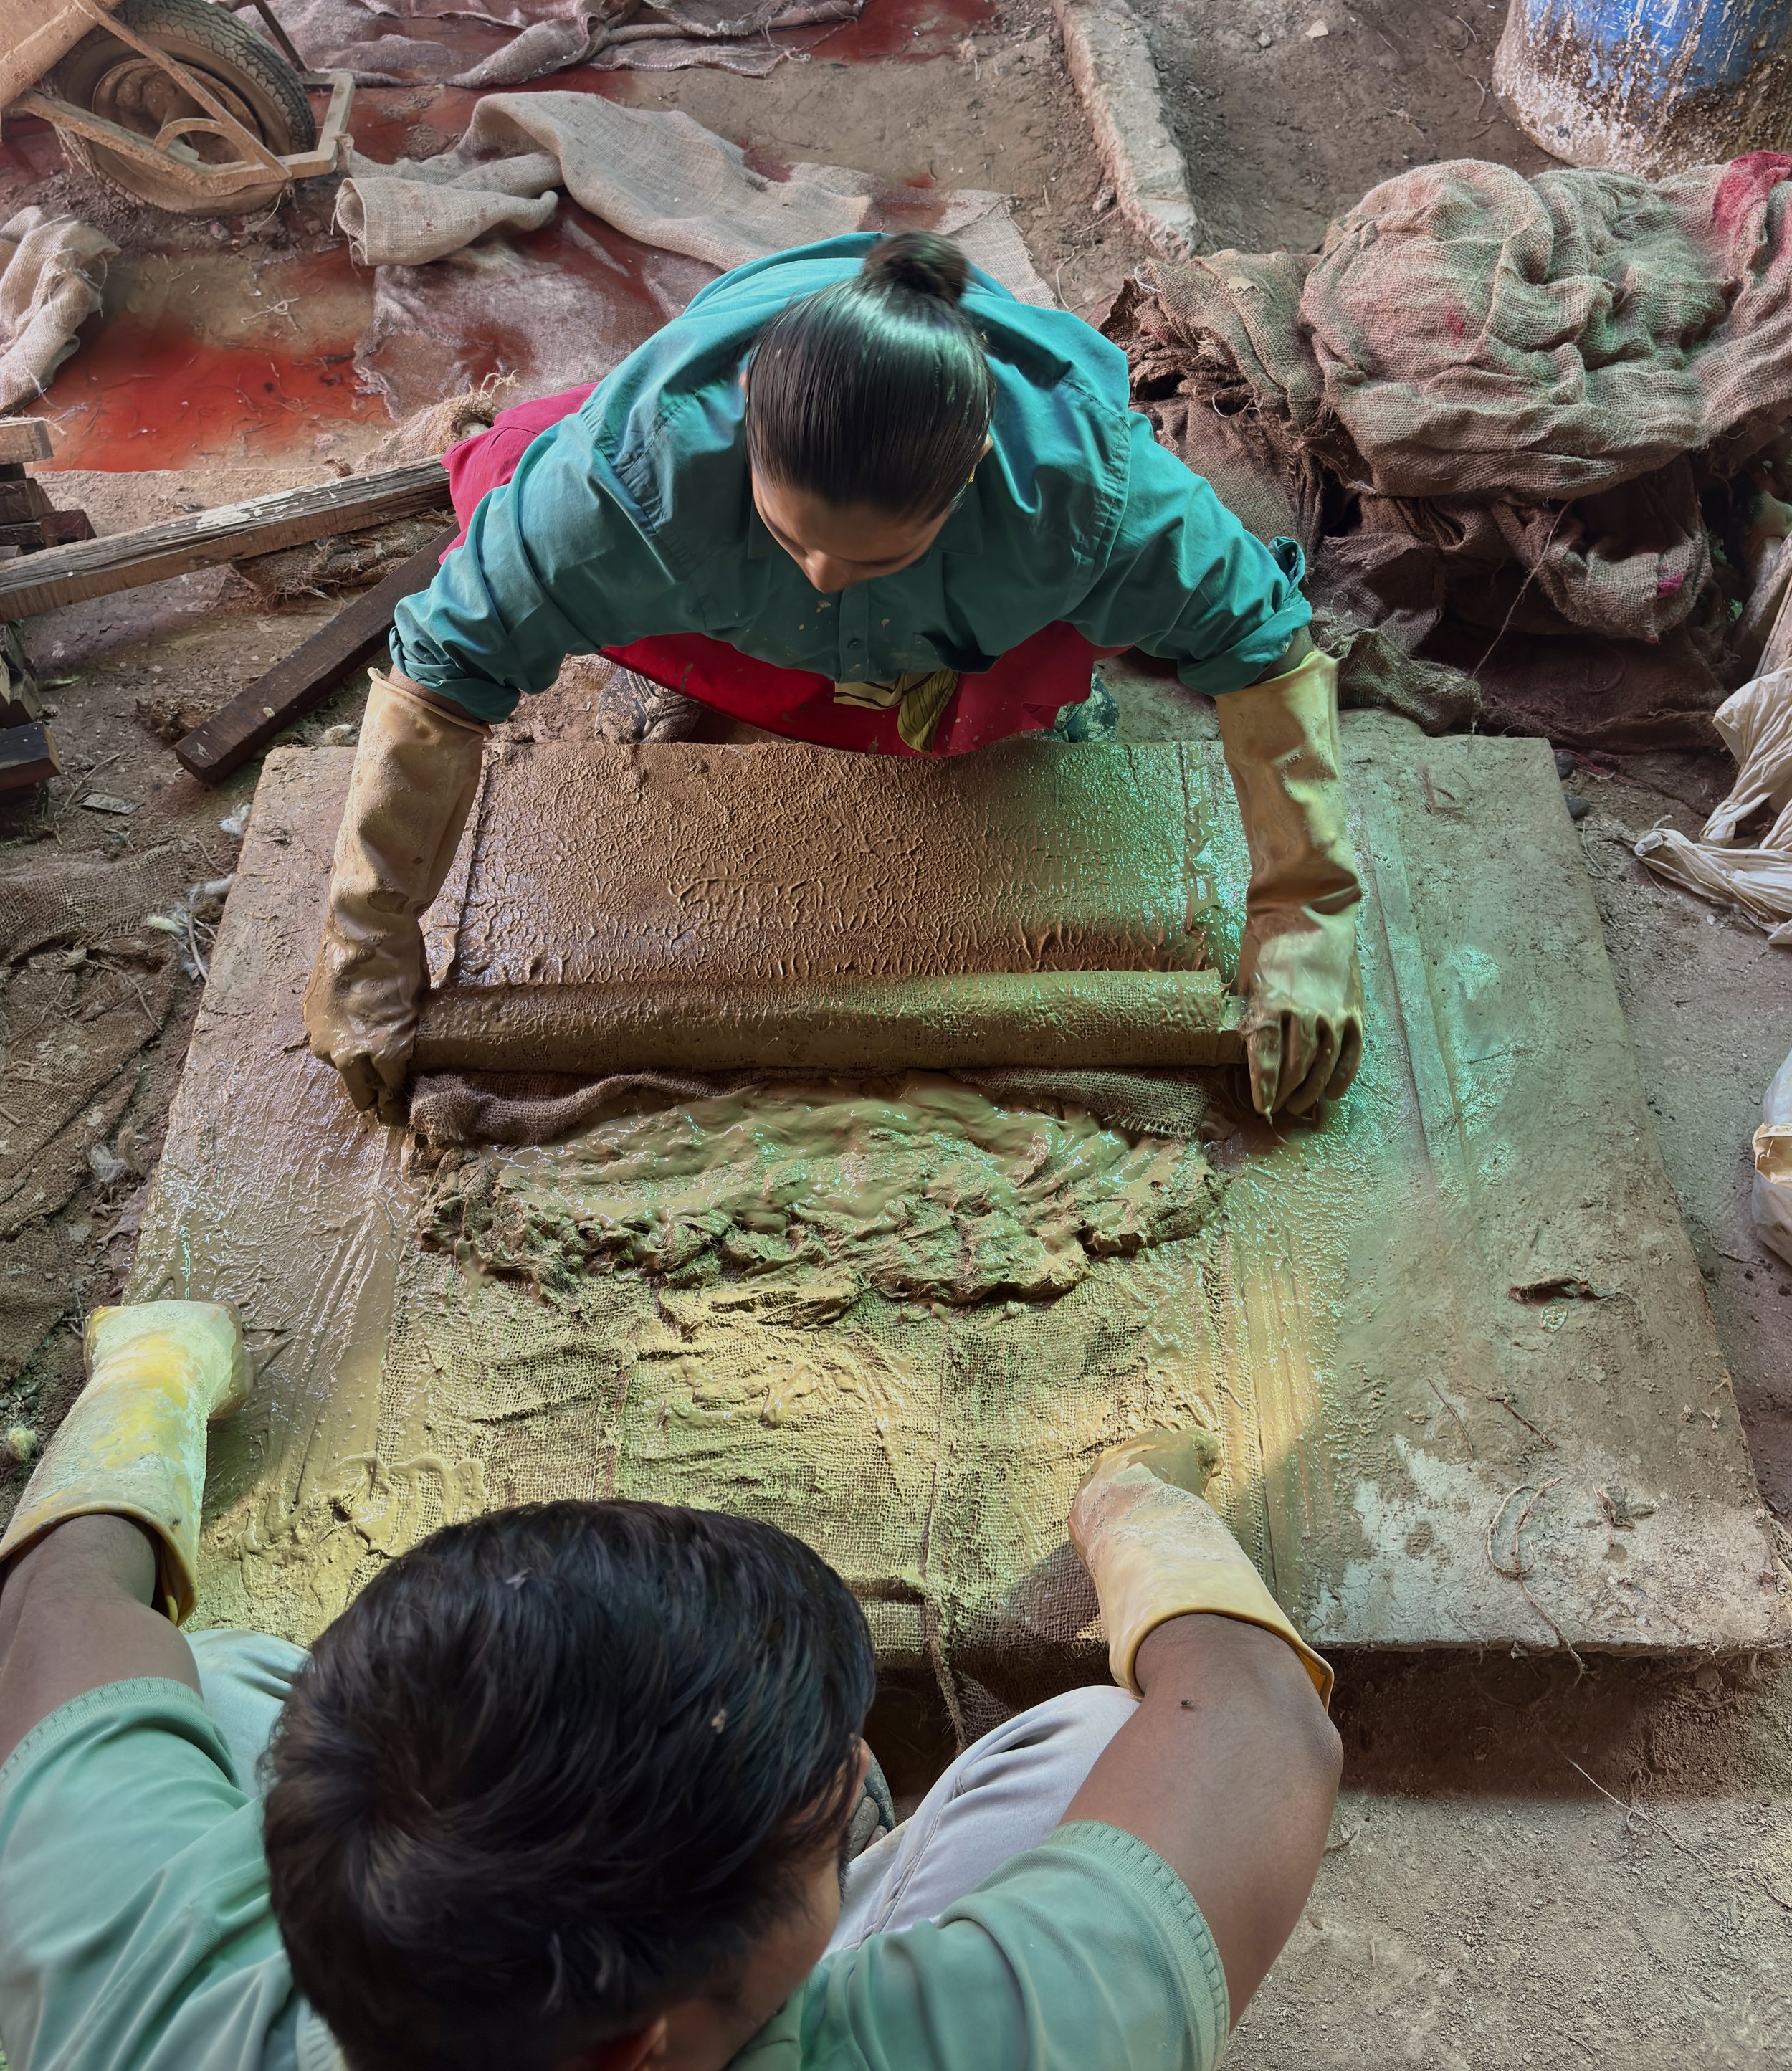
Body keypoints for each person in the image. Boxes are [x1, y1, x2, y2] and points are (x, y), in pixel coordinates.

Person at [0, 1300, 1342, 2071]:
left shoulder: (127, 1966)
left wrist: (155, 1371)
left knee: (215, 1673)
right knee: (1105, 1741)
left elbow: (61, 1603)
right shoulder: (968, 2047)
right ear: (631, 2049)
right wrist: (1130, 1504)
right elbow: (1259, 1724)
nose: (852, 1765)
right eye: (827, 1807)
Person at [302, 231, 1363, 1129]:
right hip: (701, 561)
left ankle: (958, 657)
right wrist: (366, 939)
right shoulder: (631, 477)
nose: (819, 577)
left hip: (985, 599)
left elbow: (1266, 649)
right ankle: (785, 617)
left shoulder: (1085, 491)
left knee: (1007, 683)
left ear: (967, 480)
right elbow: (444, 672)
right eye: (791, 537)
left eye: (869, 557)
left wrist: (1306, 920)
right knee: (509, 485)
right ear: (747, 429)